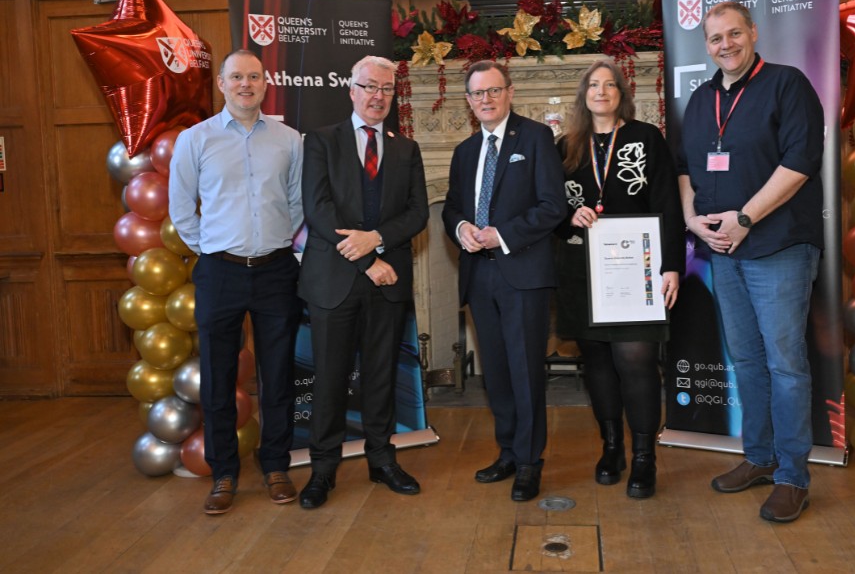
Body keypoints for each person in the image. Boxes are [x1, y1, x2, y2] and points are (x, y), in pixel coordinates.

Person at [677, 1, 824, 523]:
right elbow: (684, 169)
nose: (726, 45)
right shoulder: (700, 101)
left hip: (777, 245)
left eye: (734, 34)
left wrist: (745, 217)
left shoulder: (787, 85)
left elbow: (801, 161)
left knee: (786, 365)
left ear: (754, 33)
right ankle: (758, 458)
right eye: (715, 38)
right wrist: (692, 220)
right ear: (707, 46)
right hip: (722, 252)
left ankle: (792, 476)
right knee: (747, 362)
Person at [169, 49, 303, 515]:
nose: (246, 84)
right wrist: (209, 247)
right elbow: (182, 207)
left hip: (275, 270)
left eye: (255, 76)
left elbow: (297, 202)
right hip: (219, 271)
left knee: (279, 375)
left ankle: (276, 466)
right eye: (237, 77)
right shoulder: (195, 140)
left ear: (266, 84)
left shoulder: (289, 140)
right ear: (221, 84)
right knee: (218, 379)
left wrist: (278, 241)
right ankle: (224, 472)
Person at [297, 55, 429, 509]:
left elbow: (418, 214)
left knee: (380, 377)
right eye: (369, 86)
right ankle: (321, 471)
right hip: (336, 281)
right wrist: (369, 258)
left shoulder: (405, 149)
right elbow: (318, 210)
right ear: (351, 90)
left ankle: (382, 460)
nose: (378, 96)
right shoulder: (320, 141)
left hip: (387, 283)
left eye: (387, 89)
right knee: (330, 379)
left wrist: (377, 240)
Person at [555, 58, 685, 499]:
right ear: (583, 95)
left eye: (610, 85)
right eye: (594, 85)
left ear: (622, 94)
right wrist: (569, 214)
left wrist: (672, 266)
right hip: (584, 273)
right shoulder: (565, 146)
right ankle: (612, 448)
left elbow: (669, 202)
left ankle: (645, 458)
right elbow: (548, 208)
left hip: (640, 272)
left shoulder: (647, 138)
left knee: (636, 361)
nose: (602, 92)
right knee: (597, 364)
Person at [442, 61, 565, 502]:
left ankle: (531, 462)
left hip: (523, 274)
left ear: (509, 92)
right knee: (495, 373)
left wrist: (503, 234)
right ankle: (509, 451)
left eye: (493, 91)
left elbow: (554, 206)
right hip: (479, 275)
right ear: (469, 101)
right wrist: (461, 230)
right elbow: (451, 208)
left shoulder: (535, 138)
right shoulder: (464, 151)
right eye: (477, 94)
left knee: (525, 370)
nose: (486, 100)